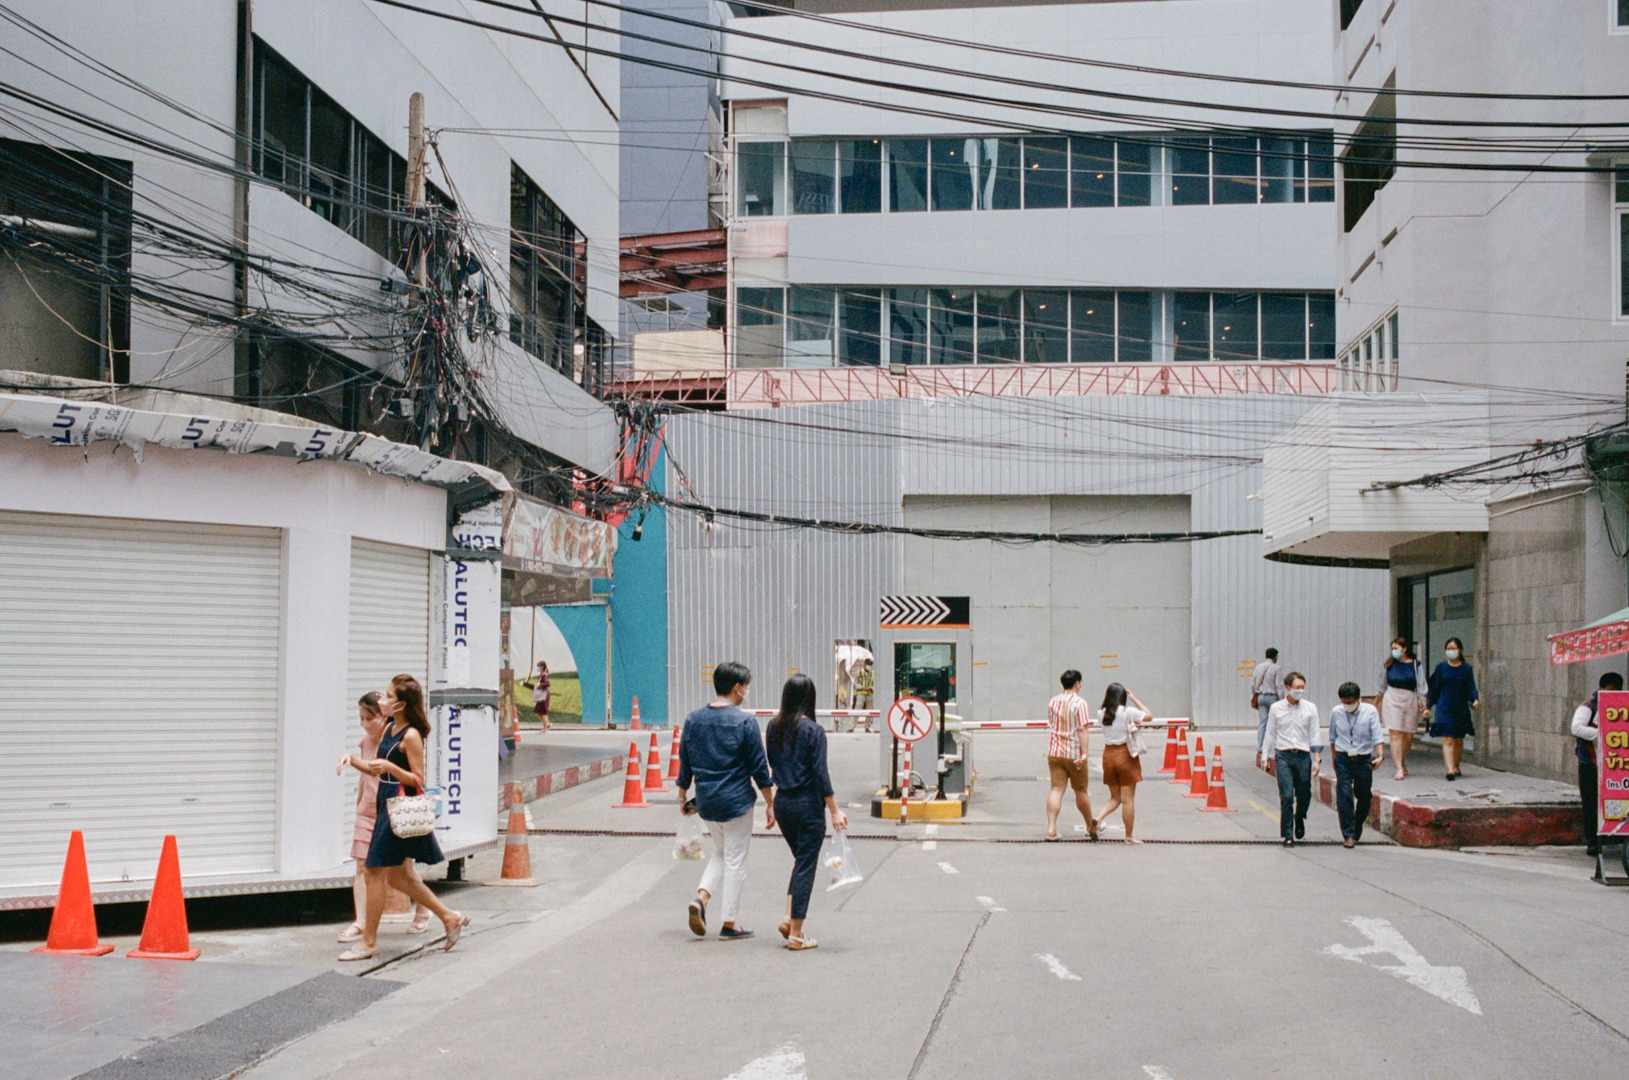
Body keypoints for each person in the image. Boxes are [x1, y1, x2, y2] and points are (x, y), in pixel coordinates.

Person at [337, 674, 469, 961]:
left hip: (398, 806)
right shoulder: (388, 730)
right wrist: (352, 761)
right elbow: (375, 768)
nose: (382, 701)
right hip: (384, 805)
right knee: (399, 877)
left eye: (388, 696)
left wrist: (390, 768)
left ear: (401, 704)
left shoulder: (410, 735)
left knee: (373, 872)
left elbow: (417, 779)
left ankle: (369, 942)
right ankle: (449, 917)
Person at [676, 661, 775, 941]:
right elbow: (759, 767)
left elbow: (685, 762)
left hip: (706, 802)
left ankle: (701, 899)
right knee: (735, 861)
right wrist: (770, 802)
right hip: (736, 803)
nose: (746, 691)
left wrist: (683, 795)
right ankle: (729, 923)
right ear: (737, 687)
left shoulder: (694, 719)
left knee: (722, 853)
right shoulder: (744, 721)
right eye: (746, 686)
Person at [337, 692, 429, 942]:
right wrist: (359, 803)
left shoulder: (397, 738)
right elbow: (365, 773)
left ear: (383, 716)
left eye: (369, 718)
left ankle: (423, 910)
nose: (364, 723)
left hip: (391, 809)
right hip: (368, 809)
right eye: (361, 718)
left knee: (403, 869)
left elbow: (413, 775)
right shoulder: (366, 742)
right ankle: (360, 922)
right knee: (361, 865)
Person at [766, 674, 848, 951]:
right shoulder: (813, 731)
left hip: (783, 803)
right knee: (806, 865)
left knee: (801, 861)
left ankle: (790, 918)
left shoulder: (772, 726)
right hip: (807, 805)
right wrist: (834, 810)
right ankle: (797, 934)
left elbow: (773, 763)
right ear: (809, 698)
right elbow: (820, 774)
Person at [1261, 672, 1322, 847]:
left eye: (1303, 687)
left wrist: (1316, 759)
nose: (1300, 691)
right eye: (1297, 688)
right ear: (1288, 688)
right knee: (1287, 795)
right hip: (1283, 755)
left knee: (1304, 794)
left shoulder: (1310, 708)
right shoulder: (1276, 708)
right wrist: (1265, 757)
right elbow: (1270, 733)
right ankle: (1288, 834)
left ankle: (1300, 817)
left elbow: (1315, 734)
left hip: (1303, 756)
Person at [1571, 672, 1623, 858]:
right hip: (1590, 764)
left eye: (1615, 692)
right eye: (1608, 691)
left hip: (1615, 766)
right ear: (1601, 689)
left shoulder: (1621, 707)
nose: (1611, 695)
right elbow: (1576, 728)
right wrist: (1603, 733)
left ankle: (1616, 836)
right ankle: (1592, 842)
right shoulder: (1588, 707)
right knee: (1591, 802)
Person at [1328, 682, 1386, 849]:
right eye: (1344, 702)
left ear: (1358, 699)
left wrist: (1380, 755)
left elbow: (1377, 735)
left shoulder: (1370, 711)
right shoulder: (1336, 712)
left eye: (1350, 702)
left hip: (1363, 758)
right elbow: (1332, 737)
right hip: (1343, 757)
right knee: (1344, 795)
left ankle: (1358, 822)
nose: (1347, 705)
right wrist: (1334, 757)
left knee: (1364, 795)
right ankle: (1348, 834)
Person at [1093, 682, 1151, 844]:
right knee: (1128, 800)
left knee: (1115, 797)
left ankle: (1098, 819)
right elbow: (1149, 715)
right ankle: (1129, 836)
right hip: (1125, 755)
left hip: (1108, 756)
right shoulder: (1128, 712)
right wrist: (1134, 699)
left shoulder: (1101, 713)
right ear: (1122, 697)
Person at [1044, 669, 1097, 842]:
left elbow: (1051, 724)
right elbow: (1082, 728)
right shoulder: (1080, 703)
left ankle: (1051, 828)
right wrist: (1085, 753)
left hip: (1055, 751)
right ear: (1076, 684)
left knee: (1056, 789)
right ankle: (1089, 826)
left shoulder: (1053, 701)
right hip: (1074, 753)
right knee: (1080, 790)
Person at [1425, 637, 1478, 781]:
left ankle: (1456, 765)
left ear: (1460, 650)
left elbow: (1470, 687)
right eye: (1448, 649)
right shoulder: (1441, 668)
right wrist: (1428, 706)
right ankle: (1449, 770)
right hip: (1444, 706)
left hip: (1460, 707)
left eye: (1453, 649)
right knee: (1447, 738)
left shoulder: (1466, 668)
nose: (1450, 651)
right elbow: (1434, 688)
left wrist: (1475, 699)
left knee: (1458, 739)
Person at [1374, 638, 1426, 780]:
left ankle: (1402, 762)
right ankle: (1398, 768)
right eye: (1392, 649)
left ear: (1404, 649)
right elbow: (1381, 686)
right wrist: (1375, 704)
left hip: (1409, 699)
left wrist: (1424, 702)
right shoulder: (1389, 665)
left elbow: (1422, 685)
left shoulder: (1416, 665)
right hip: (1392, 698)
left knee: (1408, 734)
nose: (1394, 651)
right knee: (1395, 733)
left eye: (1396, 648)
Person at [1251, 648, 1285, 767]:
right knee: (1275, 722)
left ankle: (1260, 746)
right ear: (1275, 657)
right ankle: (1275, 746)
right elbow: (1279, 685)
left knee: (1263, 723)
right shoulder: (1277, 668)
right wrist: (1282, 700)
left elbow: (1253, 684)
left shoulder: (1258, 667)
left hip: (1260, 696)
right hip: (1272, 697)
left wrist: (1254, 695)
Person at [523, 660, 551, 732]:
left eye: (538, 666)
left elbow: (547, 684)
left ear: (542, 667)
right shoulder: (542, 675)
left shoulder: (544, 675)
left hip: (544, 695)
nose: (537, 668)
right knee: (538, 711)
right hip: (541, 696)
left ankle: (546, 726)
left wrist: (540, 685)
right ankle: (546, 725)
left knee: (542, 712)